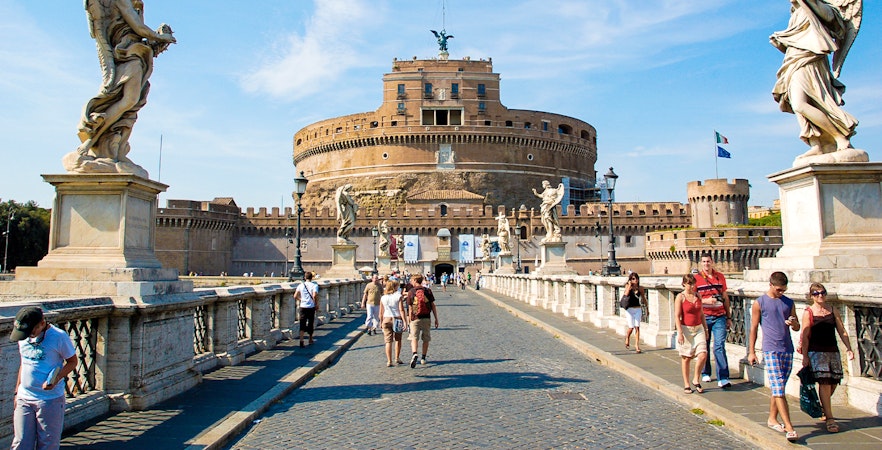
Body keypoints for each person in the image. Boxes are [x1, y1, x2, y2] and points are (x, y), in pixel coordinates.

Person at [64, 0, 176, 177]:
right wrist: (161, 37)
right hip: (127, 56)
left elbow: (139, 35)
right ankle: (91, 142)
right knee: (129, 100)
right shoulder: (122, 1)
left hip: (136, 55)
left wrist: (156, 41)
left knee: (132, 104)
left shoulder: (135, 5)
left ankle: (110, 148)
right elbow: (139, 29)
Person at [770, 0, 861, 160]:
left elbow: (828, 20)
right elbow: (798, 39)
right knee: (795, 102)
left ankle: (839, 136)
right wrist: (781, 44)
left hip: (811, 60)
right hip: (794, 60)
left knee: (802, 103)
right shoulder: (796, 14)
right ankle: (816, 144)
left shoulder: (819, 7)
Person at [10, 306, 78, 450]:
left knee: (47, 444)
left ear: (42, 323)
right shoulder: (23, 336)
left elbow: (72, 361)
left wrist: (57, 378)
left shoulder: (58, 337)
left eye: (31, 331)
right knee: (20, 443)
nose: (28, 335)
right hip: (24, 397)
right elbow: (24, 364)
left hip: (49, 399)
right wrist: (17, 392)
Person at [748, 271, 801, 443]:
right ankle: (789, 427)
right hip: (770, 349)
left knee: (779, 387)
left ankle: (772, 418)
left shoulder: (789, 303)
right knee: (778, 389)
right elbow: (754, 328)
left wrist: (793, 323)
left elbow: (797, 327)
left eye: (784, 290)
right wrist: (752, 351)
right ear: (770, 285)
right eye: (779, 290)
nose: (781, 293)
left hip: (787, 349)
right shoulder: (760, 303)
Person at [799, 283, 854, 433]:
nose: (820, 295)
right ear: (812, 296)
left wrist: (849, 348)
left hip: (832, 350)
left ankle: (823, 406)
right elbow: (805, 336)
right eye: (816, 293)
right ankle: (830, 418)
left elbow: (841, 330)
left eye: (822, 292)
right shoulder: (808, 312)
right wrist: (805, 356)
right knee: (824, 383)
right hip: (816, 352)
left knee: (834, 382)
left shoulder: (832, 310)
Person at [696, 253, 733, 388]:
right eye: (704, 262)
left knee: (719, 346)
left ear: (712, 262)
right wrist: (706, 300)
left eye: (708, 261)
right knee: (704, 346)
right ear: (701, 263)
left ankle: (723, 377)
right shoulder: (697, 279)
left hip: (720, 316)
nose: (706, 264)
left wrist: (729, 316)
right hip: (704, 317)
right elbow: (693, 298)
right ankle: (705, 372)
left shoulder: (720, 277)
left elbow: (725, 297)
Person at [675, 274, 708, 394]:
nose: (692, 286)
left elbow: (702, 314)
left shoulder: (698, 295)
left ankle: (696, 378)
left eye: (693, 283)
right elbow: (677, 316)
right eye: (689, 284)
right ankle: (687, 384)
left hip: (698, 328)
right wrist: (679, 332)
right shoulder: (680, 297)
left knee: (703, 354)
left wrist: (705, 329)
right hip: (686, 329)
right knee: (686, 358)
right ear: (684, 284)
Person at [406, 274, 439, 368]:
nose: (411, 281)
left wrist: (409, 320)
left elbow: (410, 308)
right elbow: (433, 305)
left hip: (415, 318)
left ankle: (414, 353)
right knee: (426, 338)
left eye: (412, 280)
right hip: (426, 317)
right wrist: (436, 318)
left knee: (414, 337)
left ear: (415, 280)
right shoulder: (428, 291)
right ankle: (423, 357)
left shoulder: (411, 292)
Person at [380, 280, 407, 367]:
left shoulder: (383, 297)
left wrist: (381, 322)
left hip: (386, 319)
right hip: (397, 319)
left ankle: (389, 361)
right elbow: (401, 310)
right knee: (398, 340)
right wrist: (405, 321)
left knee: (388, 341)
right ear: (395, 287)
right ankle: (397, 358)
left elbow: (381, 312)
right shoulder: (398, 296)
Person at [622, 272, 646, 354]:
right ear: (630, 280)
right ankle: (627, 337)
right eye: (633, 279)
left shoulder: (640, 288)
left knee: (637, 327)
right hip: (629, 309)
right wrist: (629, 285)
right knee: (631, 327)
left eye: (636, 278)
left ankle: (637, 345)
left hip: (637, 309)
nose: (635, 280)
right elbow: (626, 294)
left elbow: (643, 298)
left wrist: (647, 308)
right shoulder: (628, 287)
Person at [294, 271, 319, 347]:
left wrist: (301, 299)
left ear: (305, 278)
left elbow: (295, 296)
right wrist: (316, 304)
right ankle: (310, 339)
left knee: (302, 323)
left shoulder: (301, 285)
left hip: (302, 306)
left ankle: (301, 340)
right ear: (312, 278)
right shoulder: (314, 285)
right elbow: (314, 295)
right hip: (311, 307)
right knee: (310, 323)